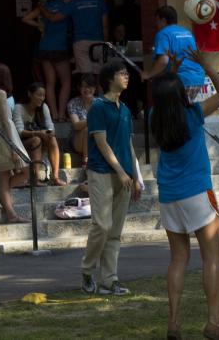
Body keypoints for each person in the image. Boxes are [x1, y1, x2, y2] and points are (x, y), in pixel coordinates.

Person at [150, 49, 219, 340]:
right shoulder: (193, 113)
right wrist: (205, 64)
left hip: (169, 194)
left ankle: (173, 323)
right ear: (181, 95)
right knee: (211, 258)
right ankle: (213, 322)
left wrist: (170, 69)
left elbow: (164, 92)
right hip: (197, 191)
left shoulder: (153, 117)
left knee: (178, 258)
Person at [81, 59, 142, 297]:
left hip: (125, 174)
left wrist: (136, 176)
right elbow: (101, 143)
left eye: (127, 73)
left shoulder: (125, 109)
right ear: (109, 78)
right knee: (102, 225)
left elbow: (129, 144)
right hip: (102, 172)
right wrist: (120, 171)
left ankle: (109, 279)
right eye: (122, 73)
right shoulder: (97, 107)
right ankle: (87, 270)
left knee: (115, 231)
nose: (127, 76)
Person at [0, 63, 31, 224]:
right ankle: (5, 199)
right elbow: (5, 119)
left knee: (3, 177)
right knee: (26, 170)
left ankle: (8, 205)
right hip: (5, 133)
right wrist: (13, 147)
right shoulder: (0, 94)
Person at [23, 0, 72, 122]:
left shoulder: (45, 6)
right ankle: (62, 114)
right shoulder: (65, 4)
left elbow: (25, 18)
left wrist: (40, 25)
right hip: (60, 46)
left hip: (45, 46)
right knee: (66, 81)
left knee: (50, 82)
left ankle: (54, 115)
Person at [141, 6, 206, 103]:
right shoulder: (187, 32)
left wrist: (148, 74)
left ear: (163, 20)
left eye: (157, 21)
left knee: (173, 113)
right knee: (187, 112)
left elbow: (163, 61)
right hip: (198, 78)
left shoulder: (163, 33)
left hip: (181, 80)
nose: (156, 24)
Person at [13, 82, 67, 187]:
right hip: (22, 144)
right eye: (39, 95)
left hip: (41, 142)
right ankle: (35, 178)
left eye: (43, 96)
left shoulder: (44, 107)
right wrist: (37, 133)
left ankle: (55, 177)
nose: (42, 98)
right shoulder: (19, 108)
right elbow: (19, 132)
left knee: (52, 139)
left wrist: (49, 132)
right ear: (30, 94)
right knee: (36, 139)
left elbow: (50, 126)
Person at [62, 0, 109, 78]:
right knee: (100, 74)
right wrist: (106, 43)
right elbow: (105, 25)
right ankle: (100, 93)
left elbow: (60, 7)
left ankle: (89, 93)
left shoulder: (73, 3)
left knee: (87, 75)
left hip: (80, 42)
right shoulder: (100, 1)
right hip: (98, 40)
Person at [67, 73, 97, 165]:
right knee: (87, 130)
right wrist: (93, 119)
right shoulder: (73, 103)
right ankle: (86, 161)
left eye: (90, 86)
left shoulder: (99, 103)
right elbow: (76, 125)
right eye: (84, 87)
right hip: (77, 140)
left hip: (97, 138)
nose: (87, 89)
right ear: (79, 88)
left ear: (95, 88)